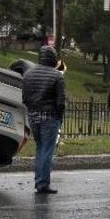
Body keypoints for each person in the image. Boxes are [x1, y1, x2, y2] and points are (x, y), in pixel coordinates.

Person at [22, 45, 66, 195]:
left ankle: (39, 181)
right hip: (50, 116)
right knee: (47, 150)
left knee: (40, 148)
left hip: (33, 116)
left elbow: (25, 98)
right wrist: (60, 117)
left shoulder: (28, 74)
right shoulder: (57, 76)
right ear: (52, 58)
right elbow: (60, 102)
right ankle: (43, 183)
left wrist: (32, 110)